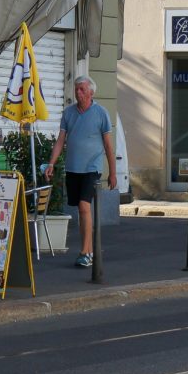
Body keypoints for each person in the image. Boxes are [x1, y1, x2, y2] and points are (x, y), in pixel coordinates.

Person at [45, 75, 114, 269]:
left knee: (84, 206)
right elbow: (60, 140)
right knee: (81, 210)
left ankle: (84, 252)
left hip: (92, 168)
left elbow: (108, 146)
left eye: (82, 89)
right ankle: (89, 251)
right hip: (73, 168)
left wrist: (113, 173)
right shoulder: (68, 113)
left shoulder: (101, 113)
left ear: (91, 92)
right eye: (76, 89)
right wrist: (51, 163)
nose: (78, 92)